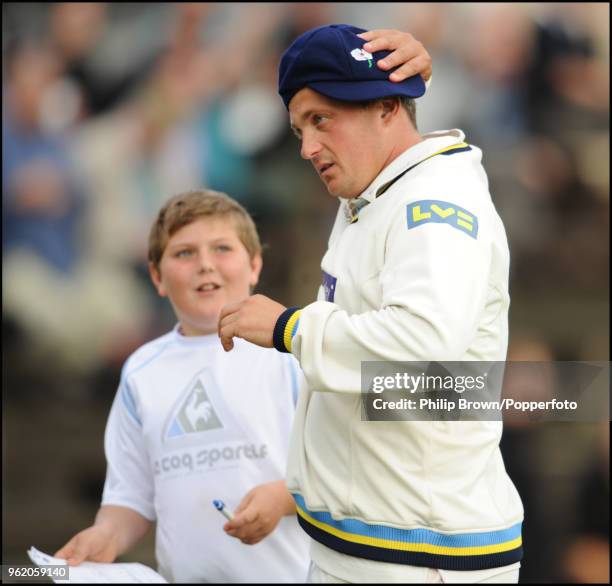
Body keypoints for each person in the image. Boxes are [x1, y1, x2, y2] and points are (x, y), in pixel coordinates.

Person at [54, 31, 435, 582]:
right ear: (157, 278)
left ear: (255, 266)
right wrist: (104, 536)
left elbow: (358, 446)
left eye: (223, 249)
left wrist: (285, 496)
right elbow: (130, 499)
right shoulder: (142, 370)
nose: (206, 265)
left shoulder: (295, 345)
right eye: (184, 254)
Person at [218, 24, 524, 583]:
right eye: (299, 128)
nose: (308, 147)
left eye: (321, 120)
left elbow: (421, 351)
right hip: (375, 546)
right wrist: (299, 488)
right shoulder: (378, 188)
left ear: (385, 108)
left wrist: (289, 328)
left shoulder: (430, 201)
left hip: (419, 556)